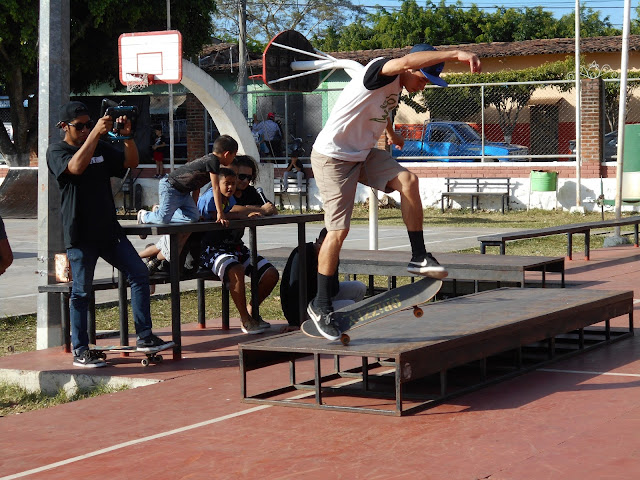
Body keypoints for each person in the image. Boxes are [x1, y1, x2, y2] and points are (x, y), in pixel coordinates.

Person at [308, 43, 482, 340]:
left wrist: (391, 133)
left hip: (361, 155)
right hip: (333, 157)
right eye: (423, 78)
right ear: (409, 69)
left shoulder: (397, 87)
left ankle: (419, 256)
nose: (424, 85)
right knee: (338, 231)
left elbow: (380, 108)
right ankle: (321, 304)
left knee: (408, 181)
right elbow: (404, 61)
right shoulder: (381, 70)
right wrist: (455, 54)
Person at [46, 101, 173, 367]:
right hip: (80, 234)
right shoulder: (57, 150)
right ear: (63, 127)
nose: (84, 130)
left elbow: (131, 162)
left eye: (88, 125)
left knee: (139, 273)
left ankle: (145, 336)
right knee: (81, 292)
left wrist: (126, 136)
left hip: (108, 231)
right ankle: (81, 349)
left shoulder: (101, 148)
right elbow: (75, 168)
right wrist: (93, 135)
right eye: (79, 126)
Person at [197, 167, 279, 334]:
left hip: (236, 247)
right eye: (228, 183)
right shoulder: (210, 198)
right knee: (236, 270)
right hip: (211, 249)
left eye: (234, 183)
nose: (232, 187)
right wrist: (245, 214)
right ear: (216, 184)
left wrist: (250, 213)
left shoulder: (232, 199)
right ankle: (245, 319)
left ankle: (251, 309)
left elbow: (235, 211)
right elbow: (214, 216)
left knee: (271, 273)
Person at [137, 134, 238, 232]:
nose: (234, 159)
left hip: (183, 192)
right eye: (234, 155)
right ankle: (145, 216)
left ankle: (162, 211)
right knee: (163, 220)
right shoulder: (213, 161)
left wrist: (194, 210)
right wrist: (220, 214)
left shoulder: (211, 163)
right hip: (170, 186)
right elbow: (216, 188)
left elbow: (196, 187)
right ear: (226, 154)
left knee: (193, 218)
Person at [280, 228, 366, 332]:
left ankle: (333, 319)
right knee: (349, 305)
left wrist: (330, 265)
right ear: (316, 241)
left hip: (321, 296)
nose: (324, 250)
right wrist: (295, 322)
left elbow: (334, 289)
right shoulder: (302, 253)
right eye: (322, 245)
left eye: (330, 248)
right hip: (303, 309)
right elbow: (292, 291)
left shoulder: (331, 255)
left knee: (359, 287)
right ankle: (323, 322)